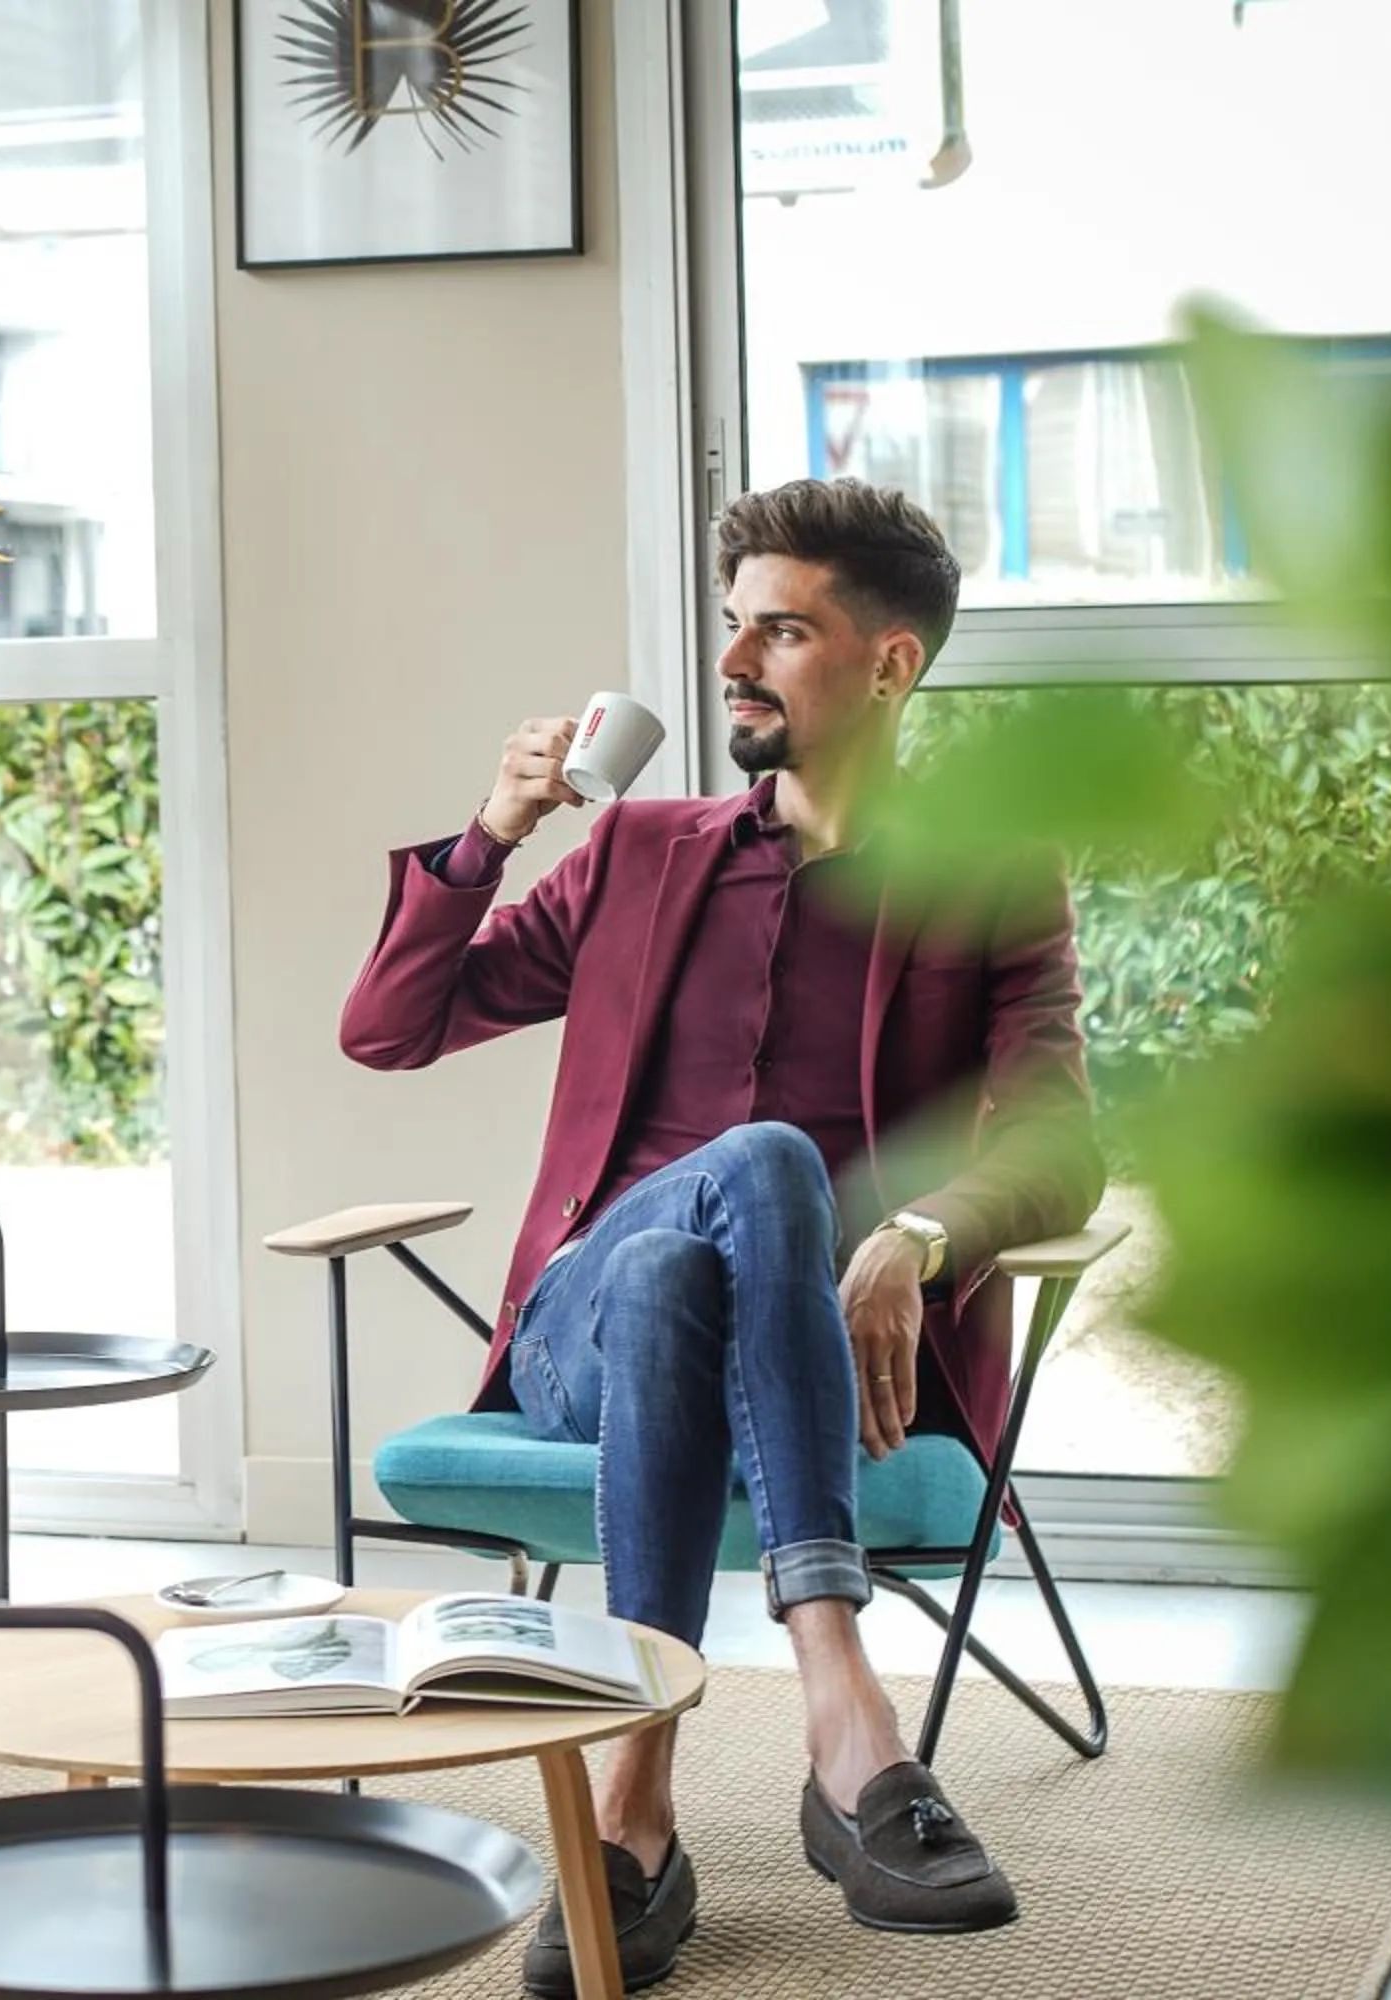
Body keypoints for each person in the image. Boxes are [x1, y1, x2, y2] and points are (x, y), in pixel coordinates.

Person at [339, 477, 1104, 1994]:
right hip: (583, 1340)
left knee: (703, 1263)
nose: (735, 662)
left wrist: (921, 1241)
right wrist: (496, 830)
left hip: (803, 1355)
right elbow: (390, 1027)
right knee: (738, 1179)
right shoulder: (640, 852)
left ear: (891, 665)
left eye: (784, 631)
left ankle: (632, 1817)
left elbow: (1061, 1141)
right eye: (731, 627)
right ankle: (844, 1704)